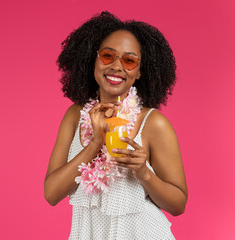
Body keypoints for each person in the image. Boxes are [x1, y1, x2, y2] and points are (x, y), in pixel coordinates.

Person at [44, 11, 187, 239]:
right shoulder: (75, 115)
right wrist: (95, 144)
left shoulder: (153, 123)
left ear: (140, 71)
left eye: (129, 60)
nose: (117, 66)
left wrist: (145, 174)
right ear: (94, 59)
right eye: (108, 56)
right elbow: (51, 194)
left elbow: (178, 204)